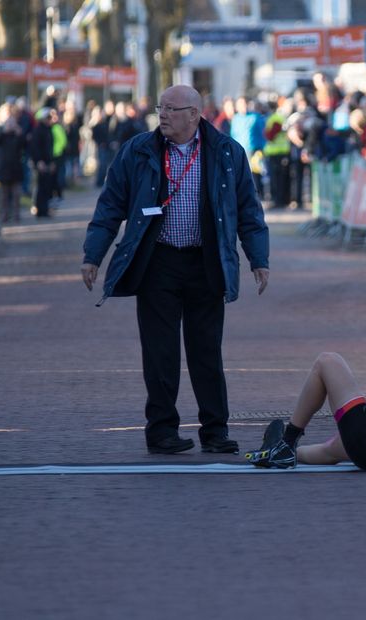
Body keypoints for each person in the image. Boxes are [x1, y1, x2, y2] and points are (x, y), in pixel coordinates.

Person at [80, 85, 270, 455]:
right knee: (159, 352)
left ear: (194, 114)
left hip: (206, 262)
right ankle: (162, 431)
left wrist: (258, 259)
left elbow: (248, 210)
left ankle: (215, 431)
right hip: (158, 262)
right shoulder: (137, 151)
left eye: (171, 109)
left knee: (206, 351)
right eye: (160, 107)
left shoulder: (227, 152)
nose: (162, 115)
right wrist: (93, 255)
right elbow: (110, 206)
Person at [29, 108, 56, 218]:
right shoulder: (37, 130)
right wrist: (39, 161)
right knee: (40, 187)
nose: (50, 120)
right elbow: (35, 148)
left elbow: (50, 148)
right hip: (41, 162)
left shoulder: (49, 130)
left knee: (47, 186)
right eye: (48, 118)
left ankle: (45, 209)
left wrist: (52, 161)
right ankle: (39, 209)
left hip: (48, 161)